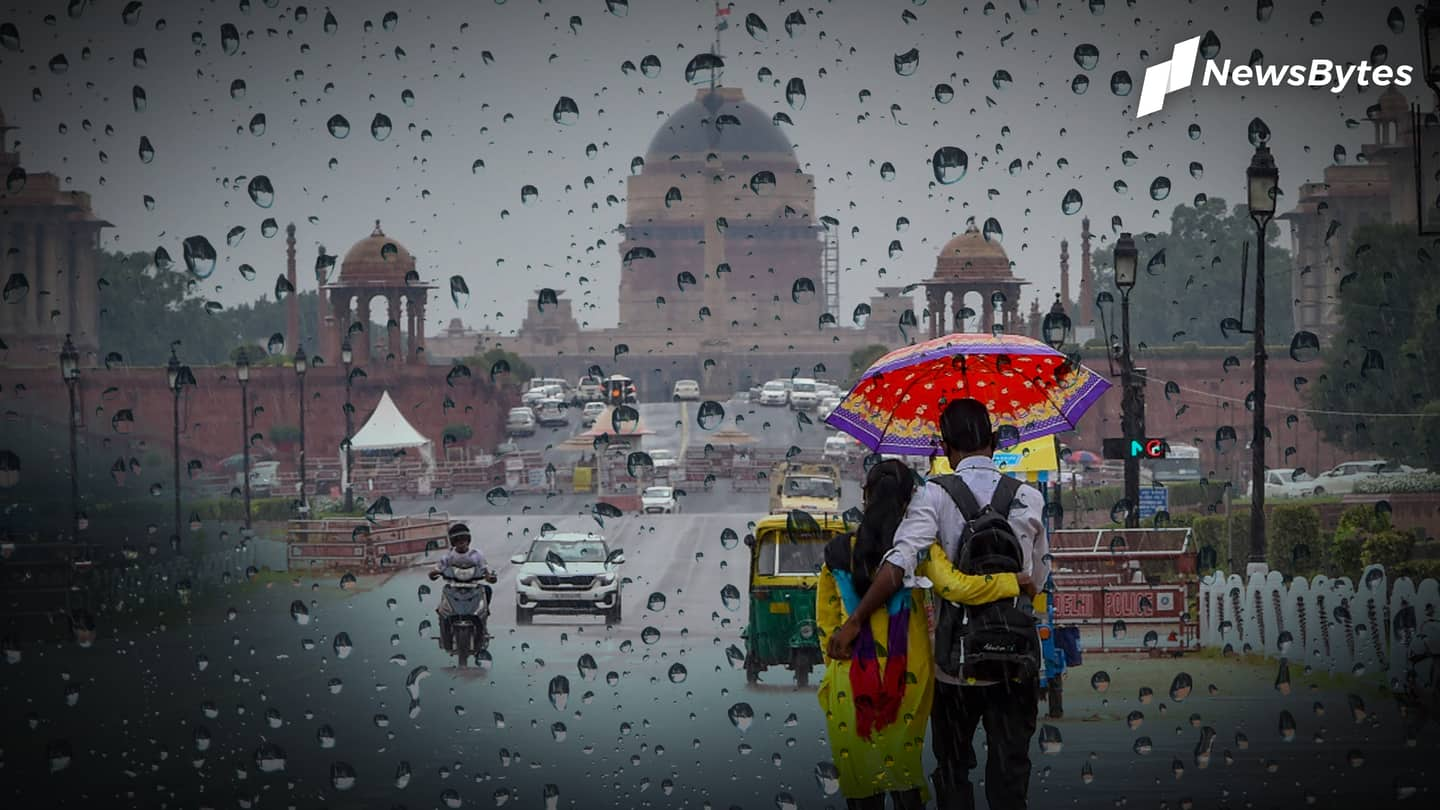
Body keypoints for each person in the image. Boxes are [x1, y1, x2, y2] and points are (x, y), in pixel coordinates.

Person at [828, 398, 1049, 810]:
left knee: (952, 769)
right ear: (997, 441)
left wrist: (857, 619)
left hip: (955, 668)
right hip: (1017, 663)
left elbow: (899, 561)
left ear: (945, 448)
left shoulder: (933, 496)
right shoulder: (1029, 498)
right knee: (1010, 775)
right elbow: (1036, 580)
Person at [429, 522, 490, 652]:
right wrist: (435, 572)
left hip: (473, 586)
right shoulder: (448, 556)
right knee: (442, 606)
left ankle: (484, 616)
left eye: (464, 540)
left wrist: (490, 576)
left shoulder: (476, 554)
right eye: (458, 540)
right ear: (453, 542)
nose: (461, 543)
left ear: (468, 540)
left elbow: (485, 569)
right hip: (454, 587)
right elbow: (438, 568)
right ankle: (444, 629)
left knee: (487, 590)